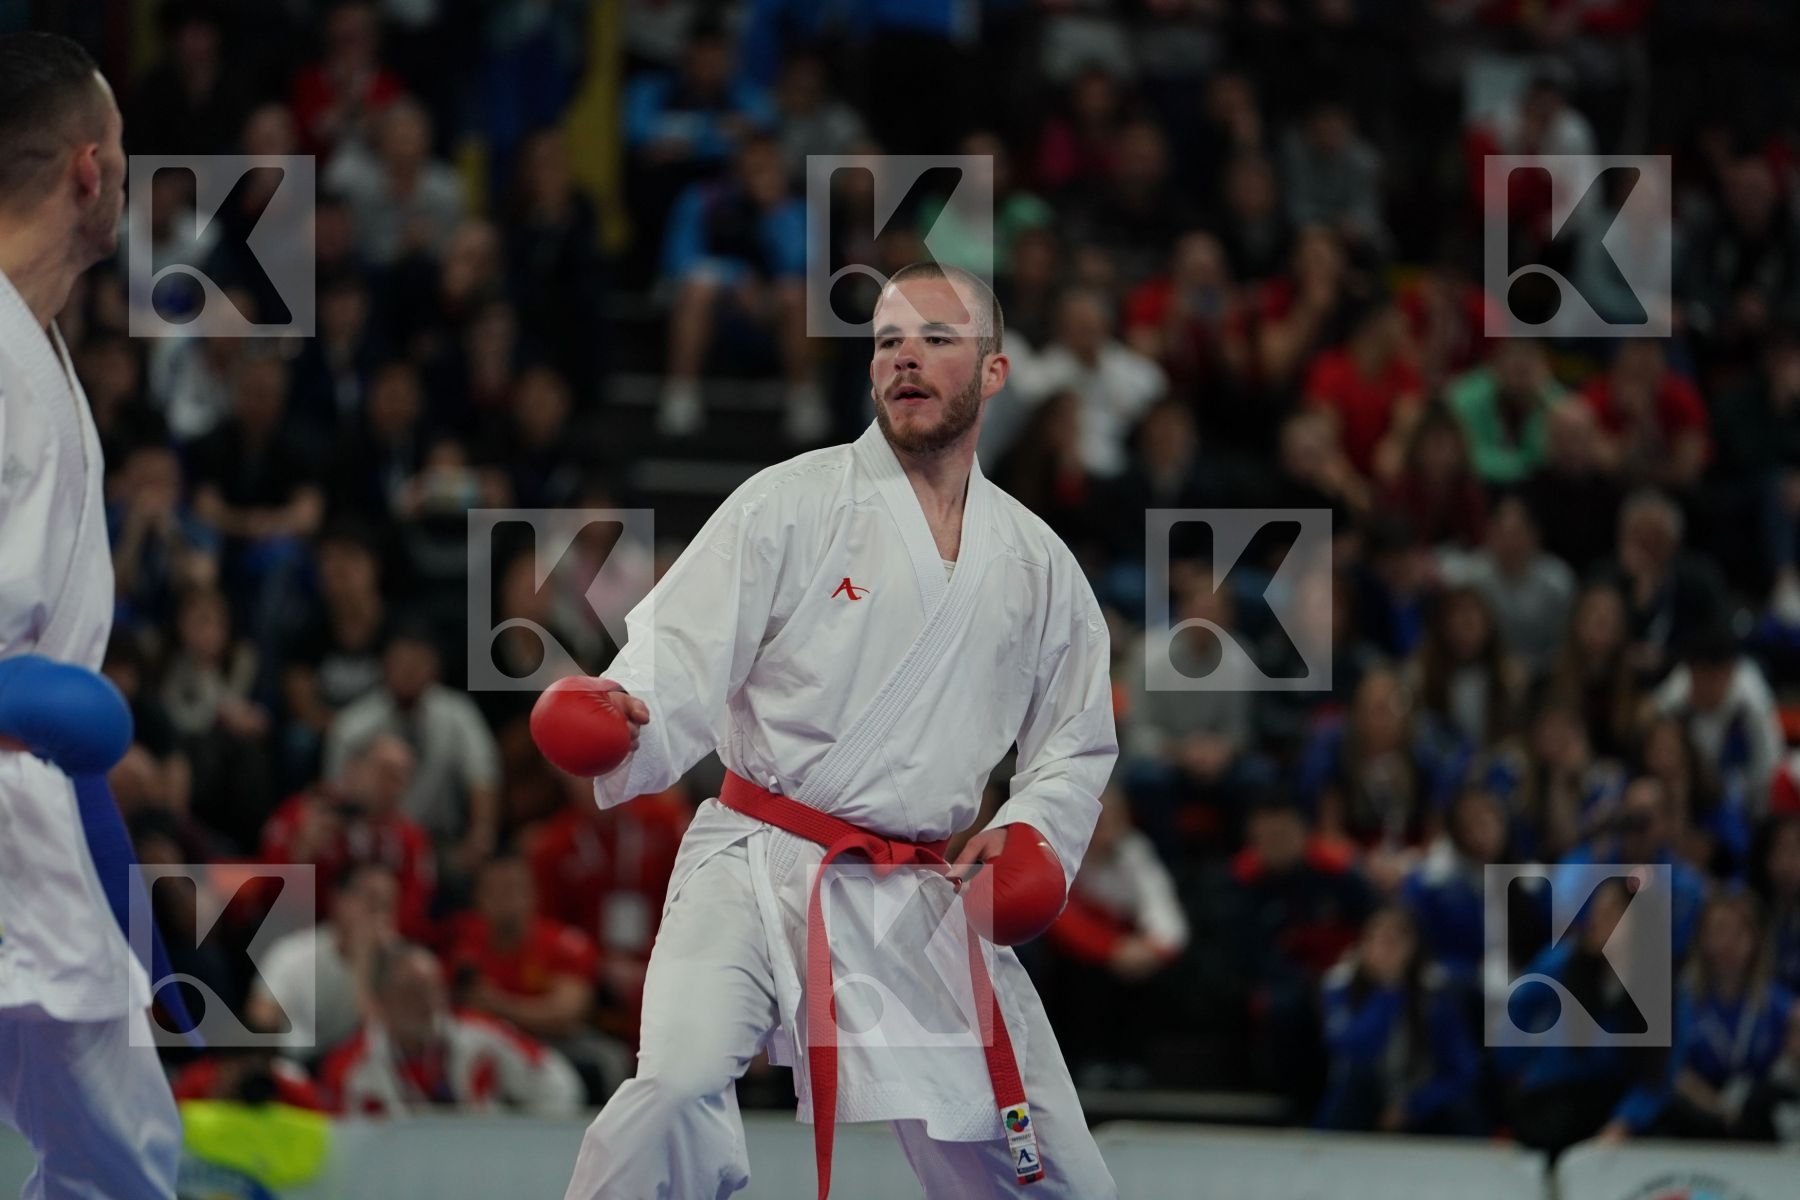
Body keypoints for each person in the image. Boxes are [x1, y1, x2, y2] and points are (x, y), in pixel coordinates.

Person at [547, 262, 1119, 1198]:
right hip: (757, 859)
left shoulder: (1036, 563)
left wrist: (1032, 837)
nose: (905, 359)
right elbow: (681, 647)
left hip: (919, 896)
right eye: (888, 341)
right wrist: (622, 708)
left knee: (1054, 1175)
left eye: (936, 339)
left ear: (994, 371)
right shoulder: (793, 501)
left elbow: (1075, 739)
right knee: (676, 1082)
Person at [0, 32, 181, 1197]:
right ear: (88, 170)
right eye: (121, 153)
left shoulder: (44, 354)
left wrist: (123, 897)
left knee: (125, 1165)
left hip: (31, 830)